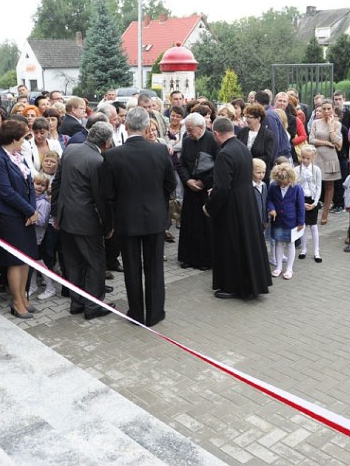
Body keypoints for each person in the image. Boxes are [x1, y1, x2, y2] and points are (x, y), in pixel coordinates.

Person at [101, 107, 175, 327]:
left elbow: (107, 192)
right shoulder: (160, 151)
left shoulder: (112, 155)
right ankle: (154, 313)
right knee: (154, 268)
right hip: (154, 218)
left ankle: (136, 312)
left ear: (126, 126)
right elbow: (170, 185)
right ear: (146, 127)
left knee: (132, 268)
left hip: (126, 219)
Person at [53, 122, 115, 319]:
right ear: (106, 142)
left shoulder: (70, 149)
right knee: (95, 262)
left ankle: (77, 302)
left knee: (73, 262)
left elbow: (57, 183)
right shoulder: (98, 160)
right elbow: (101, 198)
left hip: (65, 217)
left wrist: (56, 213)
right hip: (87, 221)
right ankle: (93, 305)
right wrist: (108, 226)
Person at [205, 117, 271, 298]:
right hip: (246, 202)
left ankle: (232, 285)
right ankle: (248, 283)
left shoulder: (224, 154)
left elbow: (223, 188)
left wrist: (209, 207)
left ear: (216, 133)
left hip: (232, 207)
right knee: (245, 244)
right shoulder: (242, 148)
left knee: (231, 245)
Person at [0, 119, 41, 319]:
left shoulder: (18, 156)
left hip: (24, 215)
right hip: (9, 217)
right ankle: (17, 302)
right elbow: (6, 192)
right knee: (15, 261)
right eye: (23, 138)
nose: (25, 141)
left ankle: (24, 297)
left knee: (26, 259)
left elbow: (30, 185)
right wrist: (29, 211)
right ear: (14, 138)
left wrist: (31, 210)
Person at [176, 112, 219, 271]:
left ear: (201, 127)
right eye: (187, 130)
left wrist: (203, 182)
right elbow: (181, 164)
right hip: (190, 188)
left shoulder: (213, 140)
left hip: (205, 189)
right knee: (189, 224)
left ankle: (204, 260)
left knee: (204, 225)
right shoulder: (187, 141)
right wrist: (188, 180)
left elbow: (218, 165)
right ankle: (187, 257)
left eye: (191, 130)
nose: (188, 133)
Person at [267, 163, 304, 279]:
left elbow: (300, 206)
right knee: (278, 243)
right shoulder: (273, 186)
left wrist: (301, 222)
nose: (282, 185)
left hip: (291, 221)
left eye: (285, 182)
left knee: (290, 244)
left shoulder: (297, 188)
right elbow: (269, 200)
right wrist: (271, 209)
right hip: (277, 221)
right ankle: (278, 267)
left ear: (291, 178)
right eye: (280, 182)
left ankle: (289, 269)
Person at [308, 99, 343, 225]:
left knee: (329, 186)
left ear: (333, 109)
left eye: (329, 109)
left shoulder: (337, 124)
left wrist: (330, 127)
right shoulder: (315, 122)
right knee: (314, 183)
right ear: (320, 110)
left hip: (330, 157)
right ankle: (312, 208)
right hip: (316, 156)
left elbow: (337, 142)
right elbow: (311, 139)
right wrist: (325, 142)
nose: (327, 111)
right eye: (324, 109)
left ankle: (325, 213)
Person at [295, 147, 322, 262]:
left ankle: (316, 251)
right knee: (303, 225)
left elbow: (319, 186)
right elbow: (295, 186)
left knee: (313, 226)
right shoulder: (296, 170)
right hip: (301, 199)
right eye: (303, 158)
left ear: (313, 158)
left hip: (312, 200)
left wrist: (315, 202)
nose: (305, 160)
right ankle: (303, 249)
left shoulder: (316, 170)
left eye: (308, 158)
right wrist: (301, 203)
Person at [237, 103, 275, 180]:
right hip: (242, 173)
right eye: (245, 116)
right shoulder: (242, 132)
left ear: (258, 119)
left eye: (249, 117)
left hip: (260, 175)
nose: (246, 119)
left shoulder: (268, 135)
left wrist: (250, 161)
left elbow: (268, 156)